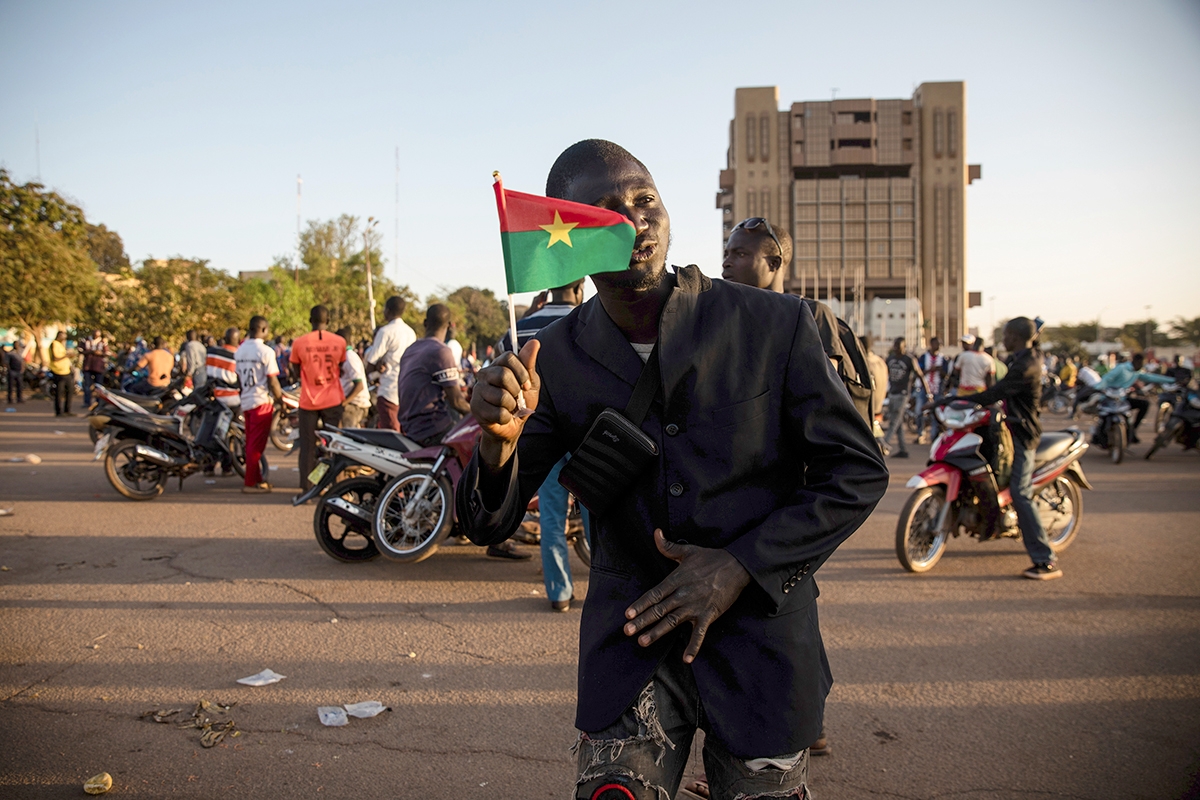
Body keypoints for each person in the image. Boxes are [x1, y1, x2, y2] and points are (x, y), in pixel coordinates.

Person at [457, 139, 887, 800]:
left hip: (762, 641)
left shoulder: (774, 324)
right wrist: (496, 445)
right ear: (569, 237)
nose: (638, 221)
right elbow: (490, 522)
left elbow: (856, 472)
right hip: (632, 644)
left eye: (645, 200)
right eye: (605, 211)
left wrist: (740, 565)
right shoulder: (554, 358)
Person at [934, 318, 1059, 580]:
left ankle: (1044, 558)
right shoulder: (1024, 355)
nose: (1004, 339)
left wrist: (955, 400)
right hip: (1006, 428)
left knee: (1020, 492)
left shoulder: (1026, 364)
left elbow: (995, 392)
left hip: (1023, 435)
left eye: (1007, 335)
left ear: (1016, 336)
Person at [720, 215, 874, 427]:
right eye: (727, 254)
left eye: (741, 254)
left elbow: (823, 395)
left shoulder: (811, 314)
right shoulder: (729, 319)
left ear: (774, 263)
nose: (726, 263)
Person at [501, 279, 591, 604]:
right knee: (597, 511)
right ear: (580, 286)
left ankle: (559, 593)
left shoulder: (520, 328)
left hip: (543, 437)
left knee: (552, 517)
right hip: (588, 436)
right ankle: (602, 591)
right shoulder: (594, 322)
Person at [291, 306, 346, 492]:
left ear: (310, 320)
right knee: (333, 444)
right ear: (328, 320)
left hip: (309, 401)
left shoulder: (299, 342)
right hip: (333, 399)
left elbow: (296, 370)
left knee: (307, 446)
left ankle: (307, 487)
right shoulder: (339, 342)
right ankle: (335, 485)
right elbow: (342, 367)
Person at [235, 316, 283, 493]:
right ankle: (250, 483)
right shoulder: (266, 352)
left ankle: (257, 479)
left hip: (246, 400)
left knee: (251, 442)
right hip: (261, 401)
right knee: (256, 446)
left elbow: (239, 380)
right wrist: (280, 401)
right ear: (263, 330)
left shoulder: (239, 351)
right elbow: (272, 381)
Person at [1085, 353, 1173, 443]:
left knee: (1144, 404)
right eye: (1140, 363)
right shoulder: (1121, 368)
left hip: (1122, 398)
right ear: (1135, 361)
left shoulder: (1137, 372)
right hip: (1109, 396)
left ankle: (1132, 431)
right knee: (1103, 413)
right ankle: (1098, 435)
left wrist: (1171, 380)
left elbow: (1150, 377)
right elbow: (1108, 378)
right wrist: (1098, 387)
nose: (1141, 366)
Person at [365, 295, 417, 431]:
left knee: (391, 434)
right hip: (406, 389)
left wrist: (369, 374)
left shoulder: (385, 331)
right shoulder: (410, 332)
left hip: (389, 389)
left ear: (387, 310)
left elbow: (372, 360)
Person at [883, 336, 932, 459]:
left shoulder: (909, 359)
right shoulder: (890, 359)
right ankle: (903, 449)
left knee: (894, 420)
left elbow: (920, 376)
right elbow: (885, 376)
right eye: (894, 346)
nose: (895, 348)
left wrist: (928, 393)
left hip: (902, 394)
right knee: (898, 423)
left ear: (904, 347)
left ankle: (883, 444)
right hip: (892, 393)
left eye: (898, 346)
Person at [336, 327, 372, 428]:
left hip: (355, 404)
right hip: (351, 403)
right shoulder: (344, 356)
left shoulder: (350, 357)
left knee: (346, 436)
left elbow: (359, 385)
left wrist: (343, 403)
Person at [916, 337, 948, 442]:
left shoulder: (943, 359)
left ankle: (933, 435)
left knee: (936, 412)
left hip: (937, 388)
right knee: (919, 411)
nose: (937, 346)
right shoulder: (924, 357)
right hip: (924, 388)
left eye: (939, 344)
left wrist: (939, 370)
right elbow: (919, 372)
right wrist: (930, 370)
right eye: (936, 344)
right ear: (931, 344)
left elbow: (946, 375)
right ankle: (921, 433)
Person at [205, 328, 241, 409]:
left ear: (224, 339)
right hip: (231, 397)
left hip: (210, 395)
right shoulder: (238, 357)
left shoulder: (211, 353)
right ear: (239, 341)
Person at [79, 329, 110, 407]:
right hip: (88, 366)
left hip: (99, 367)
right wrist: (91, 352)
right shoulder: (85, 340)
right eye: (95, 335)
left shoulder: (103, 342)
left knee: (98, 386)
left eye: (98, 335)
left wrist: (100, 353)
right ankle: (87, 402)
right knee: (87, 385)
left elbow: (107, 353)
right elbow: (80, 350)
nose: (96, 336)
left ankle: (98, 403)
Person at [48, 331, 75, 416]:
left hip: (66, 371)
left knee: (70, 391)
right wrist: (67, 356)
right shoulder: (54, 344)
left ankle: (67, 410)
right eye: (63, 337)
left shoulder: (61, 345)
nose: (64, 339)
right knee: (59, 392)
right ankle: (59, 411)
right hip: (58, 372)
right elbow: (55, 358)